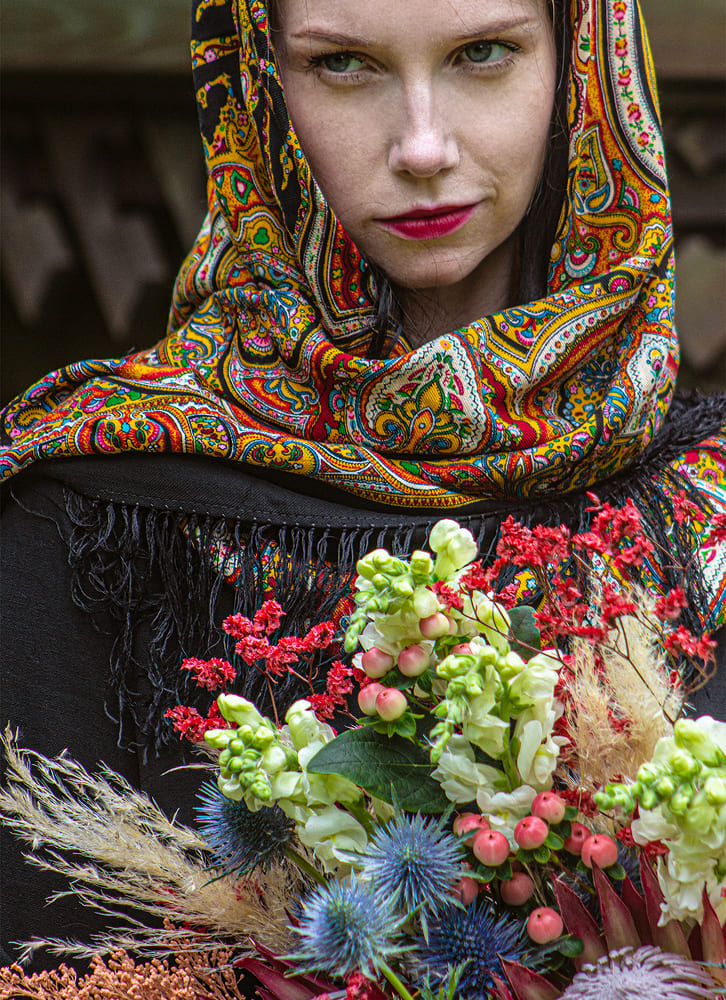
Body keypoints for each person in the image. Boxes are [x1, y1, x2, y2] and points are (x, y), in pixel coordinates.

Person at [1, 0, 724, 966]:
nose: (422, 146)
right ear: (258, 80)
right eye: (344, 65)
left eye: (483, 52)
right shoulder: (93, 518)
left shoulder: (700, 501)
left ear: (581, 62)